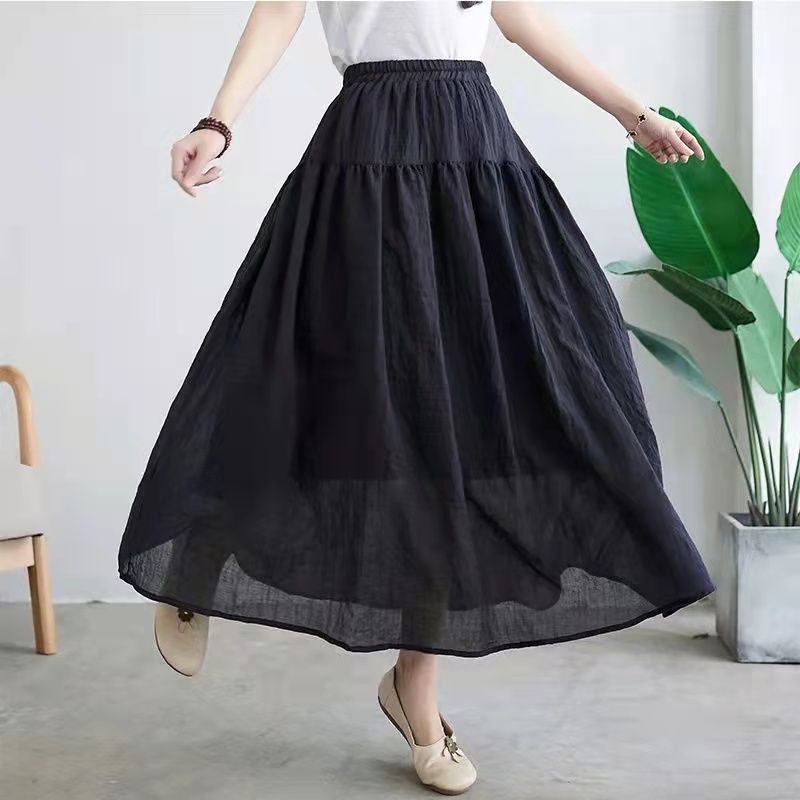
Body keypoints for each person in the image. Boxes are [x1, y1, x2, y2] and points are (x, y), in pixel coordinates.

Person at [119, 2, 713, 794]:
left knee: (463, 426)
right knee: (311, 390)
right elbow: (280, 10)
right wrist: (217, 122)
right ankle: (201, 556)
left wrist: (633, 114)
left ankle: (415, 690)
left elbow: (523, 22)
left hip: (472, 158)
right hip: (366, 159)